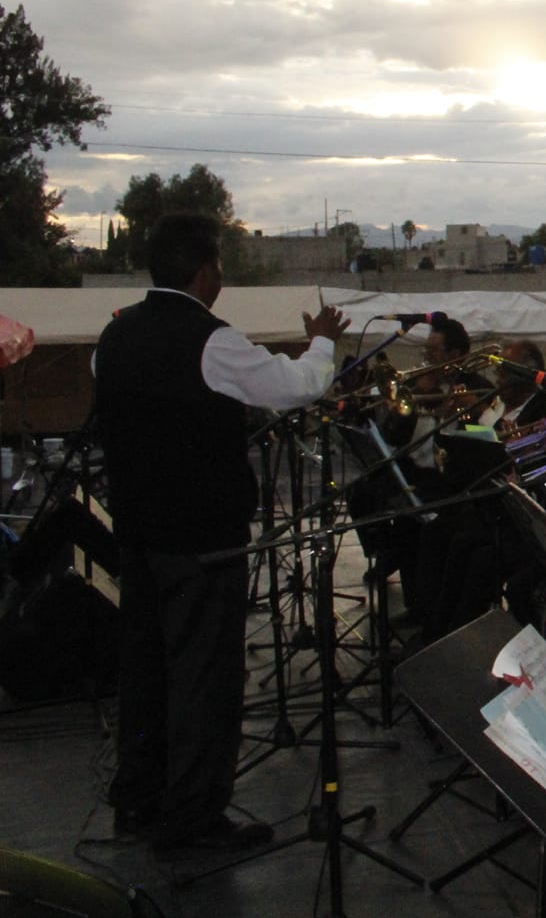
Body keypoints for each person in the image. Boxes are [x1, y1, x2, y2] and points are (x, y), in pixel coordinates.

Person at [95, 213, 349, 855]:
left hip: (138, 537)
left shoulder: (113, 338)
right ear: (206, 272)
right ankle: (192, 819)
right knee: (204, 680)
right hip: (202, 543)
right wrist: (321, 344)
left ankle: (139, 800)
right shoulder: (209, 340)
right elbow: (297, 388)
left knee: (146, 673)